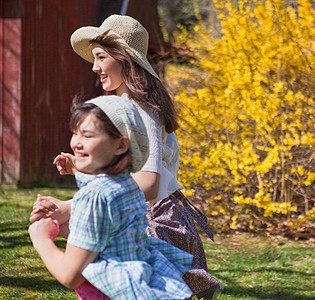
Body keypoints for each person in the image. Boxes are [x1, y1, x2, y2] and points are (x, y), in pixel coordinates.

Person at [30, 14, 223, 299]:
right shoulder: (123, 104)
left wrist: (71, 205)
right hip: (136, 214)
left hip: (153, 219)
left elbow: (149, 183)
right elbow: (129, 168)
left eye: (100, 57)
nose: (94, 67)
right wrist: (82, 169)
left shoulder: (141, 109)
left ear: (124, 59)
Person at [29, 95, 193, 299]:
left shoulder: (94, 197)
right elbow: (112, 239)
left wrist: (42, 239)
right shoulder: (128, 185)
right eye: (75, 133)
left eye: (88, 135)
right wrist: (65, 229)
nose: (76, 143)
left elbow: (70, 276)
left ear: (121, 146)